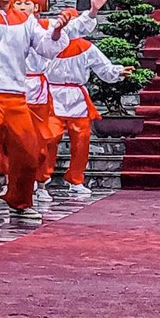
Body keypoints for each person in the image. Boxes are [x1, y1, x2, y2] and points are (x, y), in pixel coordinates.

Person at [0, 0, 105, 223]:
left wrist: (58, 31)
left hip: (15, 96)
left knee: (30, 152)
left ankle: (20, 200)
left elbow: (46, 48)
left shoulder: (26, 21)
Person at [13, 0, 107, 201]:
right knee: (11, 141)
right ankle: (11, 182)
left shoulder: (44, 27)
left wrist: (91, 12)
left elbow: (70, 28)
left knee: (45, 140)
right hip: (13, 88)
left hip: (40, 91)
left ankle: (42, 183)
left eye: (27, 3)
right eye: (18, 3)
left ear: (36, 7)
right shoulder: (4, 25)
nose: (22, 7)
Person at [40, 32, 126, 198]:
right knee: (49, 139)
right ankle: (41, 182)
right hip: (52, 95)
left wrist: (118, 72)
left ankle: (76, 180)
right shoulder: (45, 44)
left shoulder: (86, 47)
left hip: (77, 97)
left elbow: (104, 67)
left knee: (81, 141)